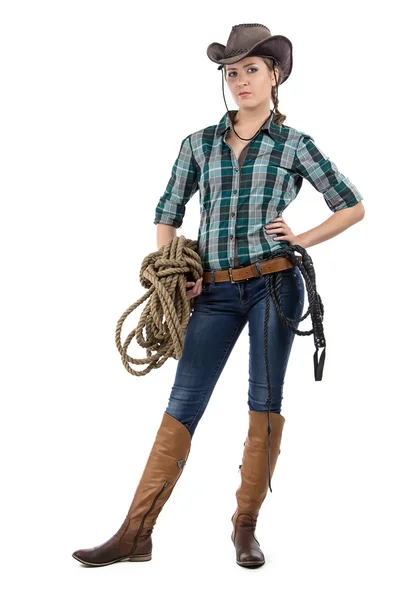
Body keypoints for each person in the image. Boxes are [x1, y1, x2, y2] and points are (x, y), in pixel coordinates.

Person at [72, 23, 365, 569]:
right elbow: (168, 211)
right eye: (231, 72)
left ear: (275, 74)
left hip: (276, 285)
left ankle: (245, 529)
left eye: (251, 69)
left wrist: (300, 238)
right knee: (183, 404)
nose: (240, 80)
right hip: (214, 291)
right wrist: (172, 266)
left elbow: (351, 204)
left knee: (265, 403)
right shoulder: (198, 144)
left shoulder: (294, 144)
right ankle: (136, 533)